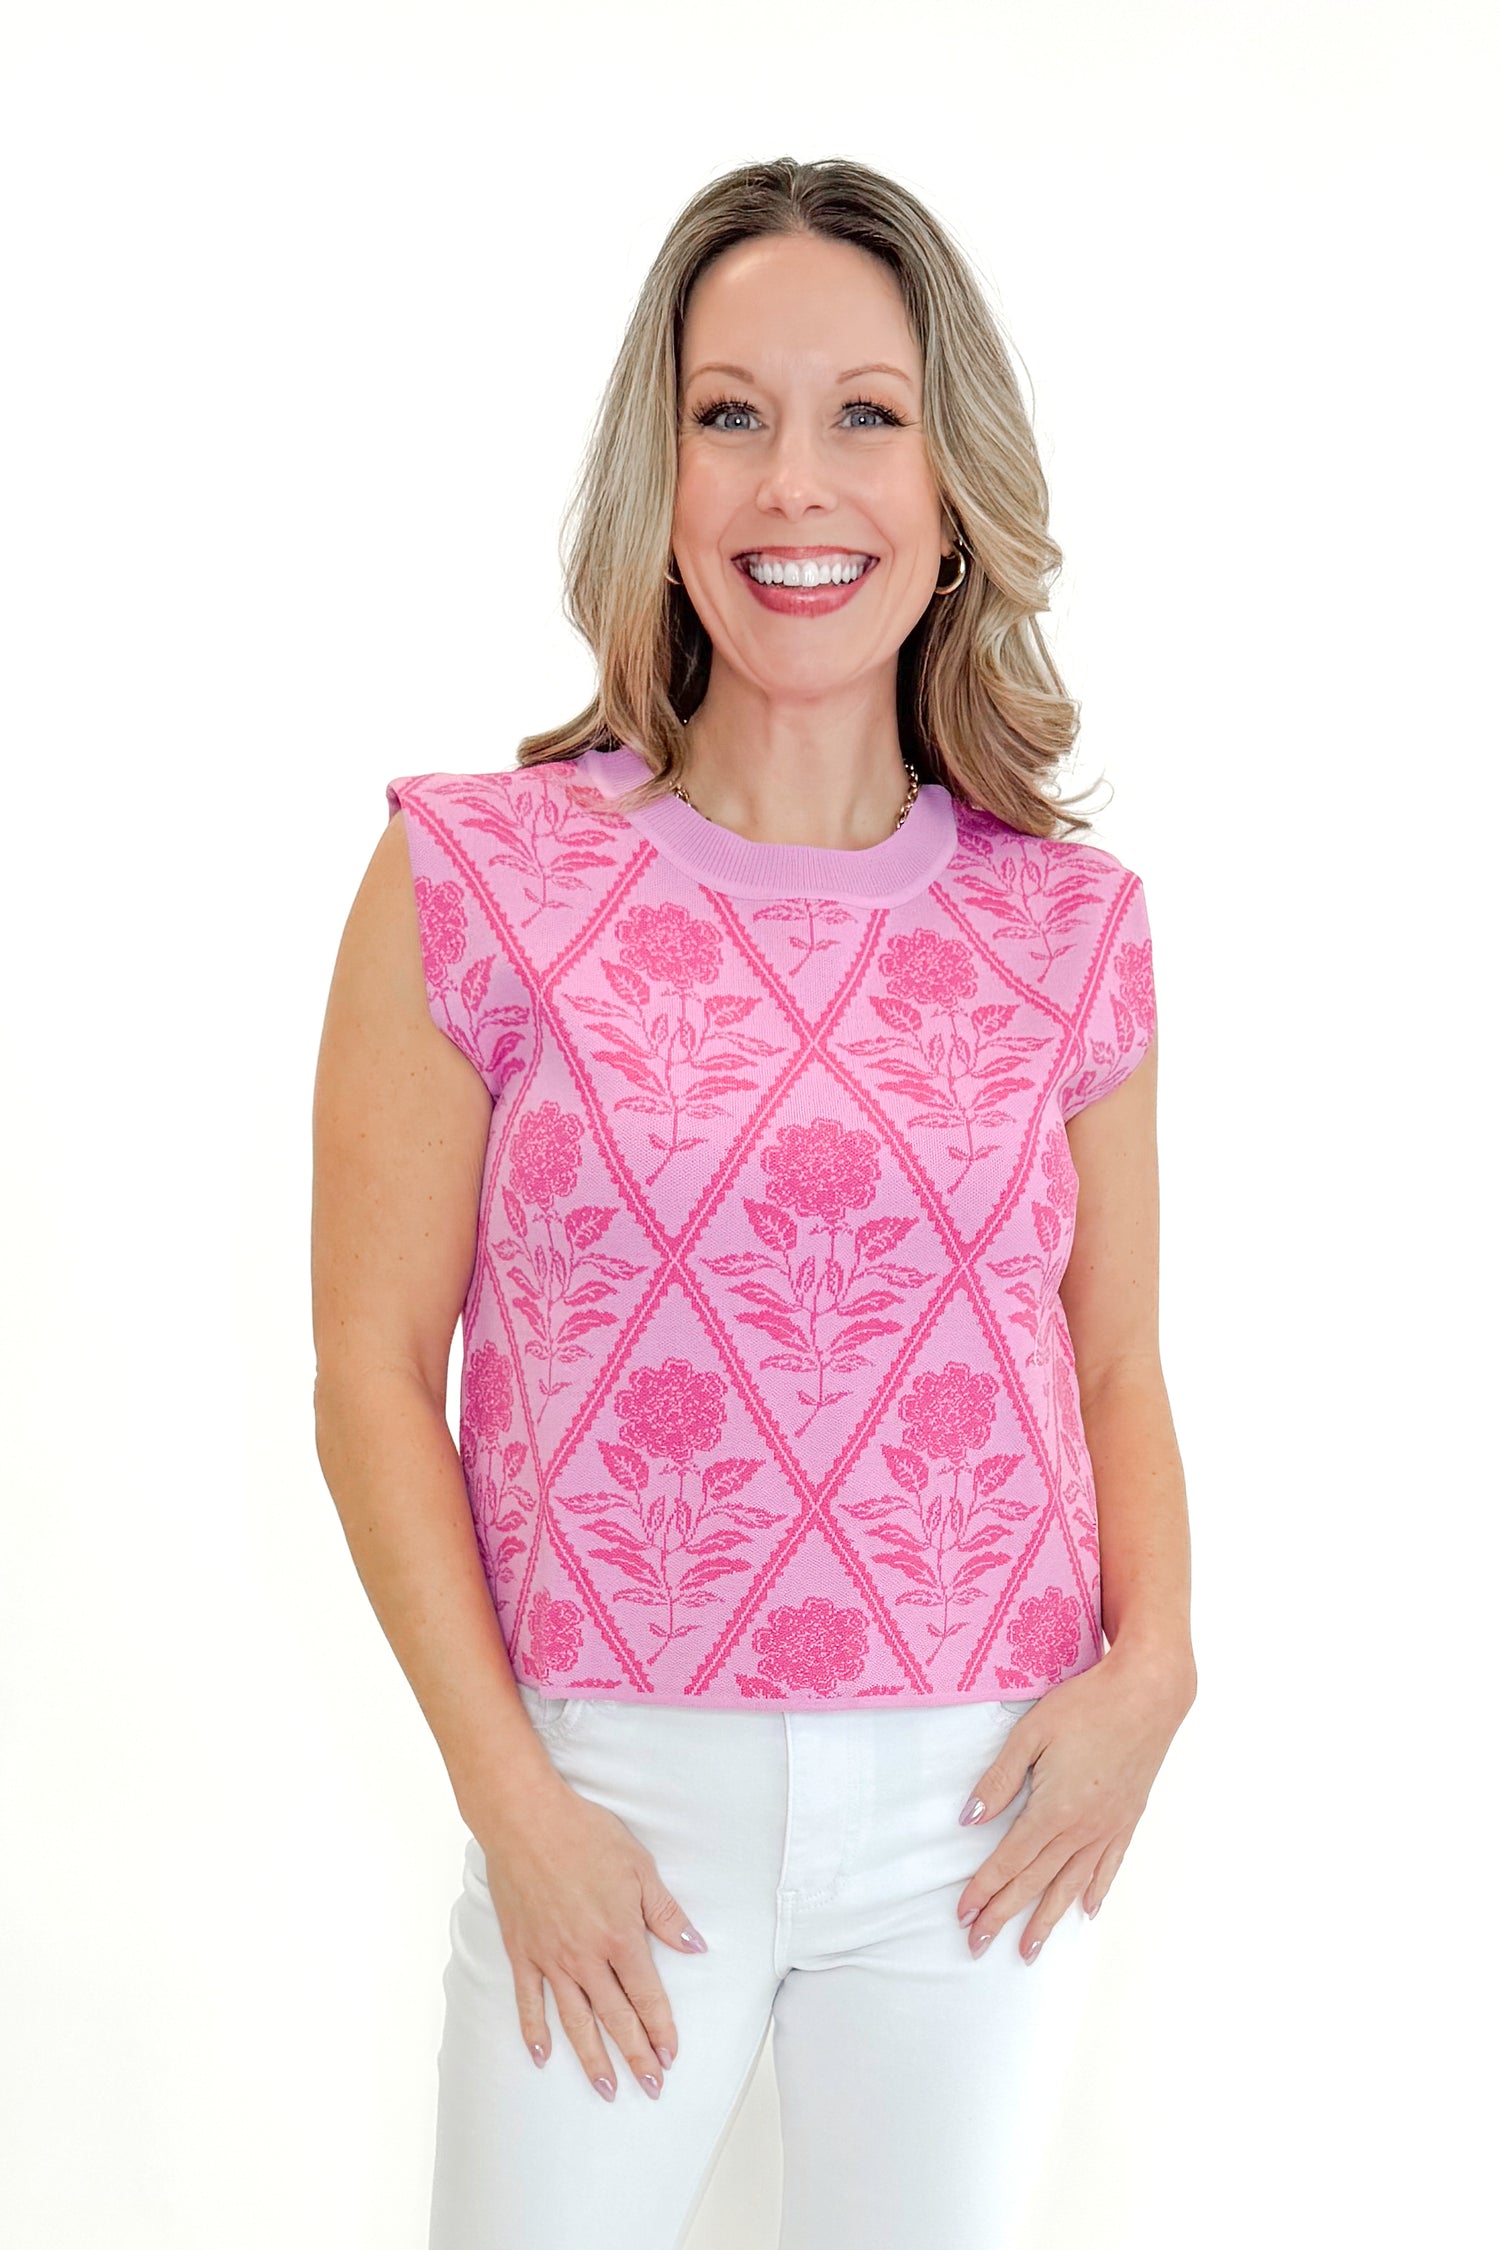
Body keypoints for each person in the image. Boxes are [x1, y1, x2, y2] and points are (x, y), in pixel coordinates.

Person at [311, 154, 1196, 2250]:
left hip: (986, 1801)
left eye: (866, 414)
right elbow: (371, 1376)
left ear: (953, 488)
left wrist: (1157, 1669)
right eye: (732, 414)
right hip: (610, 1789)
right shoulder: (477, 873)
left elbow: (1114, 1362)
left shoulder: (1068, 924)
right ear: (665, 472)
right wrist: (513, 1800)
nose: (798, 482)